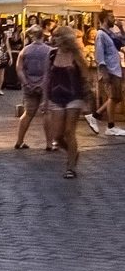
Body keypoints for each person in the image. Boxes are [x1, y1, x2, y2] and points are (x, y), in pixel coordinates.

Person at [44, 27, 93, 179]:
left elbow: (86, 79)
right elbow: (47, 78)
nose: (53, 39)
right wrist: (44, 100)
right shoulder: (51, 54)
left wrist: (87, 102)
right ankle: (73, 151)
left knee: (69, 132)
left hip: (74, 96)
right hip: (56, 96)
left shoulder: (76, 55)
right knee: (57, 135)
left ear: (65, 38)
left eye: (57, 36)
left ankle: (70, 167)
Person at [14, 26, 52, 150]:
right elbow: (52, 70)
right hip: (45, 86)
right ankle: (49, 144)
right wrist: (43, 83)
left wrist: (26, 83)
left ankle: (19, 141)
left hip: (29, 85)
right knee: (46, 112)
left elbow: (19, 69)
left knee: (28, 113)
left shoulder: (25, 51)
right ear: (43, 36)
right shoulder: (50, 51)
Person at [90, 17, 123, 137]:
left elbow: (123, 42)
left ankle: (94, 116)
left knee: (116, 97)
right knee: (114, 97)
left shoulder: (111, 34)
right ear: (104, 19)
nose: (113, 19)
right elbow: (99, 54)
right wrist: (104, 72)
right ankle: (110, 126)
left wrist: (120, 28)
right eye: (111, 17)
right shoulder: (100, 34)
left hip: (116, 68)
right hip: (110, 70)